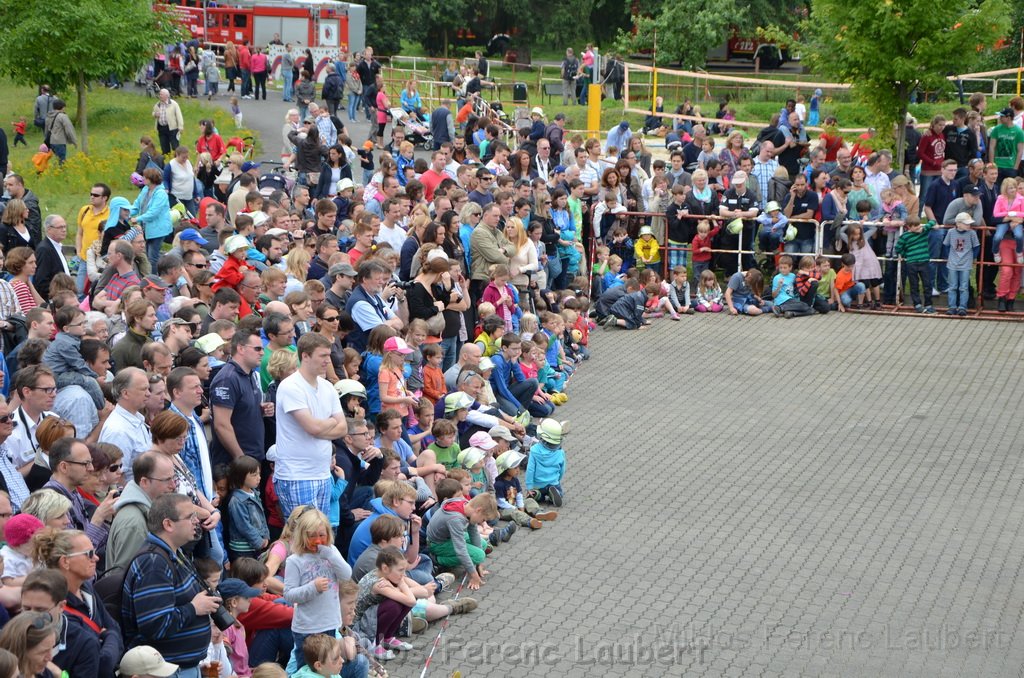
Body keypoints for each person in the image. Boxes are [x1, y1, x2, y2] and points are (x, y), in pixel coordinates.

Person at [121, 493, 219, 674]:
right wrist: (194, 608)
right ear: (168, 524)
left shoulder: (175, 553)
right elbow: (155, 626)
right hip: (166, 671)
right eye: (190, 517)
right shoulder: (153, 563)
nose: (196, 521)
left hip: (183, 668)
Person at [274, 333, 346, 519]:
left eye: (329, 355)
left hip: (323, 474)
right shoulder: (291, 386)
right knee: (303, 539)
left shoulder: (327, 387)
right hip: (297, 475)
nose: (327, 361)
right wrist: (330, 422)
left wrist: (320, 427)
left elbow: (343, 428)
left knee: (319, 539)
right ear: (305, 356)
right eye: (322, 356)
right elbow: (312, 427)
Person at [283, 507, 352, 669]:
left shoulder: (331, 552)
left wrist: (330, 554)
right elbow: (289, 594)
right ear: (302, 535)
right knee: (306, 669)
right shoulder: (295, 560)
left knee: (328, 666)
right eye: (312, 536)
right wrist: (312, 588)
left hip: (330, 623)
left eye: (322, 535)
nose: (318, 540)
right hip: (307, 628)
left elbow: (346, 574)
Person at [209, 329, 270, 468]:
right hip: (235, 465)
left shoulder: (250, 375)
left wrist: (260, 410)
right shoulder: (227, 379)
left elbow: (241, 410)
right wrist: (240, 458)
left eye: (262, 349)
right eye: (257, 348)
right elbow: (221, 425)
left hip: (253, 458)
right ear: (241, 349)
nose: (262, 352)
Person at [107, 452, 176, 571]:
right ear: (144, 482)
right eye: (166, 480)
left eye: (173, 478)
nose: (173, 485)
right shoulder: (133, 524)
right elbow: (126, 577)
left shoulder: (146, 511)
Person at [944, 212, 980, 316]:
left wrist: (972, 258)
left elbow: (976, 247)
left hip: (966, 264)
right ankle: (952, 306)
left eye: (969, 224)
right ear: (958, 224)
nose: (968, 225)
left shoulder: (972, 233)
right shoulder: (951, 232)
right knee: (952, 286)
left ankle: (963, 307)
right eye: (966, 223)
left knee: (964, 286)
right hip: (953, 264)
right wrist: (950, 257)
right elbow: (946, 245)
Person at [152, 89, 184, 156]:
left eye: (162, 95)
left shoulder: (173, 104)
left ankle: (177, 158)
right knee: (164, 146)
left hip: (172, 128)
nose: (160, 96)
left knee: (175, 146)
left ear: (167, 95)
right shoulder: (157, 105)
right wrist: (155, 114)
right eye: (160, 94)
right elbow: (153, 113)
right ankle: (166, 158)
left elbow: (179, 115)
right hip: (161, 128)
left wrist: (180, 127)